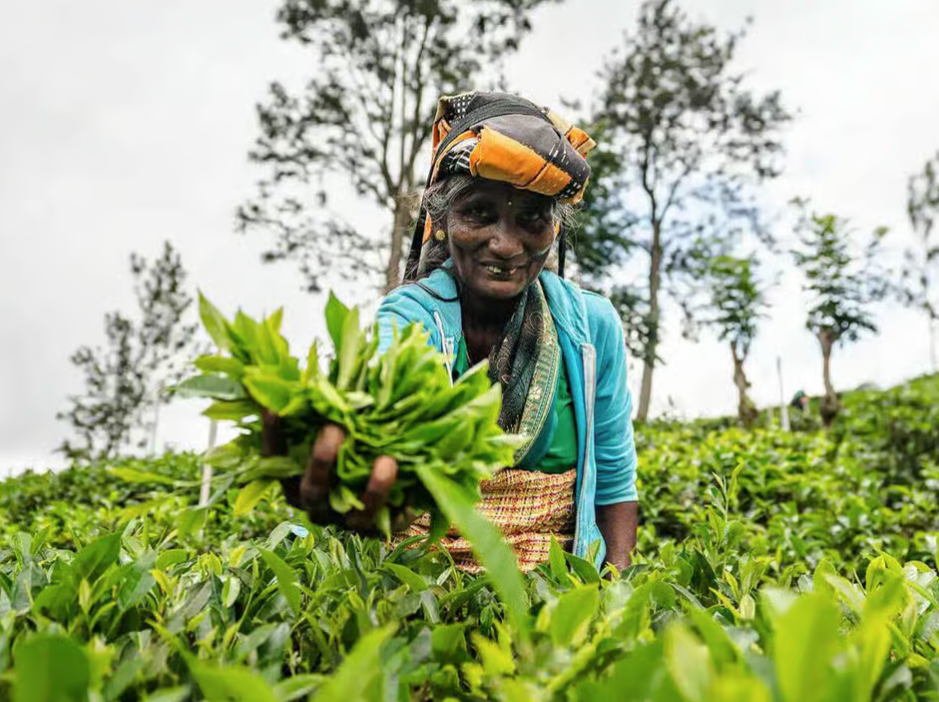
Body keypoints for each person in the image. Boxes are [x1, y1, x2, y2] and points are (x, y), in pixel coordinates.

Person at [268, 91, 639, 572]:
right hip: (423, 585)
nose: (505, 244)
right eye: (479, 214)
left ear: (554, 230)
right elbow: (379, 416)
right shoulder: (407, 318)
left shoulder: (593, 327)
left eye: (531, 218)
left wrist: (615, 590)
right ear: (441, 219)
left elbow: (613, 479)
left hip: (558, 591)